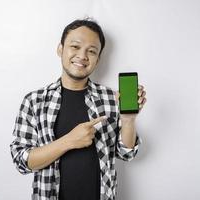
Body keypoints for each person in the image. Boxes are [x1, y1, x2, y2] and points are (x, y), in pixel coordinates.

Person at [10, 18, 147, 200]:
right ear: (60, 49)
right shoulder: (34, 101)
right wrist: (69, 141)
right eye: (75, 47)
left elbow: (126, 153)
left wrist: (129, 121)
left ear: (97, 60)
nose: (82, 56)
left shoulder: (111, 99)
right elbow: (22, 160)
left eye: (91, 51)